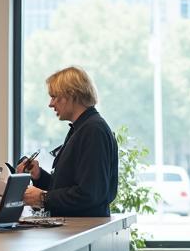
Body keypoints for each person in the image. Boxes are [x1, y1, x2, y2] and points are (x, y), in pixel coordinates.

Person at [20, 66, 118, 217]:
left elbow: (90, 193)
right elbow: (67, 186)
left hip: (83, 229)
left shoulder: (93, 130)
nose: (50, 104)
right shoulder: (81, 128)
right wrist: (39, 175)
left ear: (71, 94)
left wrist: (43, 197)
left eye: (54, 97)